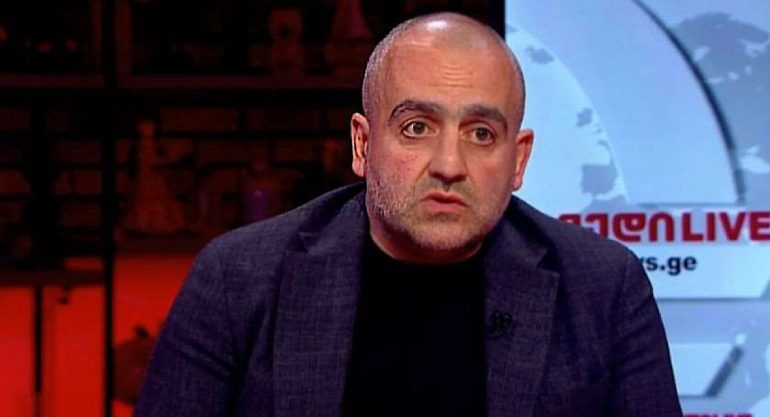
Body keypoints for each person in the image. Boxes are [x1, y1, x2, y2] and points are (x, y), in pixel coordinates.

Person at [134, 12, 682, 417]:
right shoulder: (237, 280)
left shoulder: (603, 287)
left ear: (518, 161)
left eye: (481, 134)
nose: (449, 165)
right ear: (362, 144)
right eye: (417, 127)